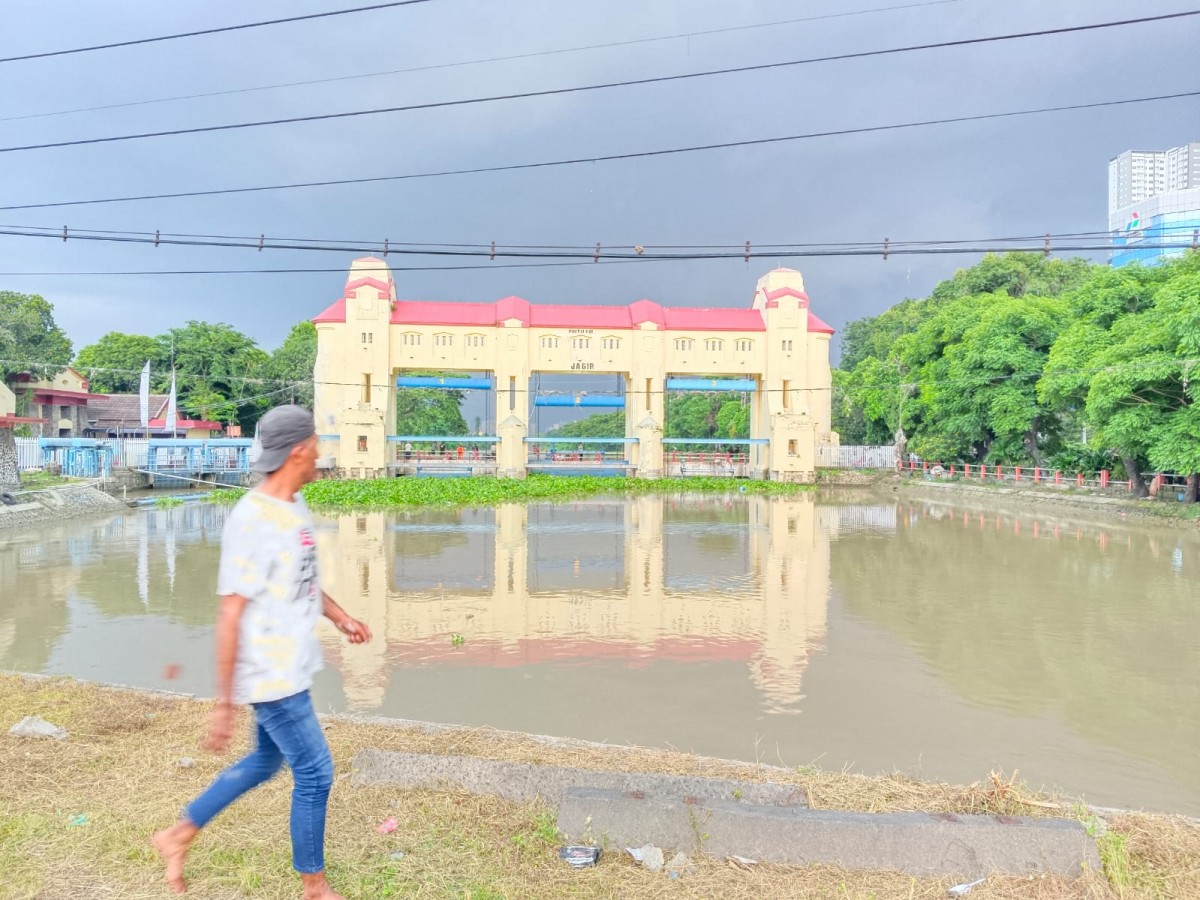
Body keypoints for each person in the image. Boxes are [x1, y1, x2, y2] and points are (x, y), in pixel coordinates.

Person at [152, 405, 372, 899]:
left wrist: (340, 617)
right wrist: (224, 702)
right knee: (315, 773)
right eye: (316, 442)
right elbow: (230, 613)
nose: (321, 451)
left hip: (292, 665)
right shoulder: (252, 519)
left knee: (265, 762)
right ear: (298, 451)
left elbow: (304, 581)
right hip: (271, 675)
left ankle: (177, 835)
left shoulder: (292, 504)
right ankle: (313, 887)